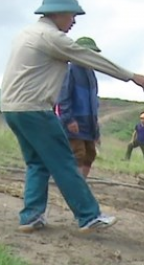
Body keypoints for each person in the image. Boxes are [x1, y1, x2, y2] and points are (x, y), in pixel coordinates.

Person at [0, 0, 144, 234]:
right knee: (64, 162)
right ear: (59, 14)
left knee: (37, 162)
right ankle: (88, 216)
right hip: (35, 109)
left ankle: (31, 216)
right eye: (72, 16)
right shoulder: (52, 37)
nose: (73, 22)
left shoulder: (26, 33)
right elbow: (89, 57)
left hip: (12, 108)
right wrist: (131, 76)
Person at [55, 36, 102, 179]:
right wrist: (69, 120)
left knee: (90, 154)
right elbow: (63, 98)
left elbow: (94, 102)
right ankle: (74, 185)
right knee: (78, 154)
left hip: (89, 125)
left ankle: (82, 182)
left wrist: (96, 131)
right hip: (74, 124)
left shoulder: (91, 74)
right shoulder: (70, 71)